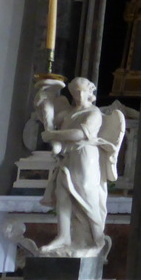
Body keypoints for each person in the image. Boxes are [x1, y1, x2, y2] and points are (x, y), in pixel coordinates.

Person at [38, 77, 125, 256]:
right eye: (75, 91)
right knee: (63, 193)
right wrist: (43, 99)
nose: (78, 94)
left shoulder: (94, 113)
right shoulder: (68, 113)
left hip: (86, 156)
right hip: (68, 156)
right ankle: (64, 237)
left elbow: (79, 134)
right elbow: (47, 115)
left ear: (90, 92)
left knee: (86, 192)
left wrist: (52, 134)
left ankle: (97, 238)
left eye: (82, 90)